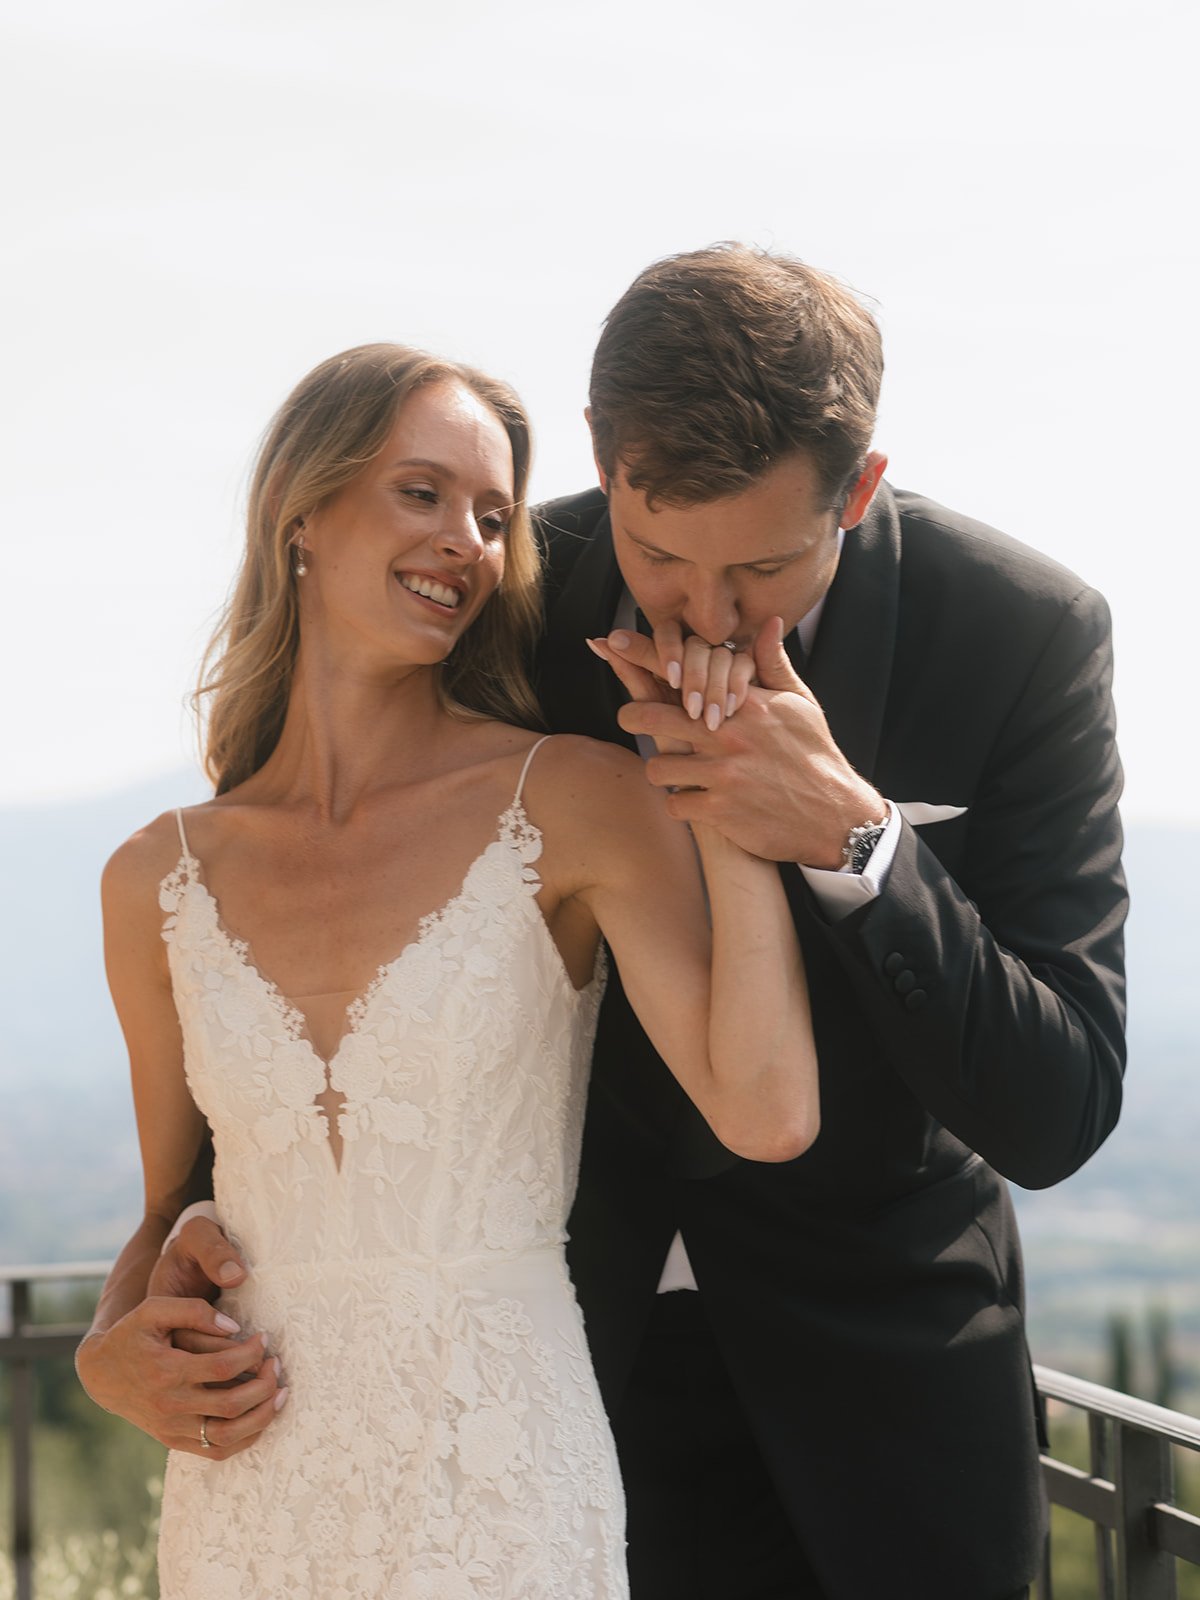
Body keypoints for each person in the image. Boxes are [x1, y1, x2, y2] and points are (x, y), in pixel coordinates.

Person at [81, 246, 1127, 1600]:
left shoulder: (1019, 637)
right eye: (657, 554)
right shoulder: (505, 587)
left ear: (856, 492)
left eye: (758, 570)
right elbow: (293, 1005)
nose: (703, 613)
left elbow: (1060, 1103)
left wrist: (857, 839)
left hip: (887, 1409)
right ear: (600, 456)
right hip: (551, 1392)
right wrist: (126, 1322)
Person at [82, 342, 821, 1599]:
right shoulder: (156, 878)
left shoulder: (574, 800)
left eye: (494, 516)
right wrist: (110, 1357)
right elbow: (171, 1209)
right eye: (422, 492)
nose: (467, 542)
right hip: (252, 1491)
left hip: (499, 1478)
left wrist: (731, 793)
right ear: (300, 511)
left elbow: (766, 1110)